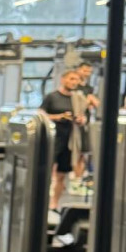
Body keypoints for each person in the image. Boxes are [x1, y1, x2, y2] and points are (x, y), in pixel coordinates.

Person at [41, 69, 87, 210]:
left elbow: (84, 117)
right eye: (71, 79)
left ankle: (54, 204)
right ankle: (41, 201)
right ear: (63, 80)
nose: (74, 82)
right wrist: (58, 117)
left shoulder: (78, 99)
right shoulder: (52, 97)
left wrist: (81, 120)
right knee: (46, 172)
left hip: (69, 140)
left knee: (61, 175)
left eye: (77, 80)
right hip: (52, 139)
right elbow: (41, 114)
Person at [70, 62, 100, 181]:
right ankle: (73, 177)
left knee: (83, 152)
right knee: (74, 152)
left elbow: (95, 103)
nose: (87, 74)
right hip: (73, 124)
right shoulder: (73, 88)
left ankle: (79, 178)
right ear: (78, 70)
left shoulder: (88, 88)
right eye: (85, 70)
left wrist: (89, 101)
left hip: (85, 123)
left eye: (89, 72)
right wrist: (86, 101)